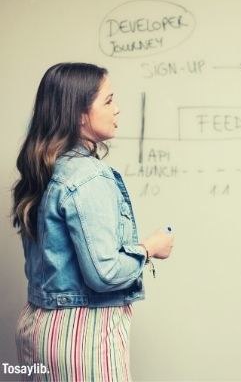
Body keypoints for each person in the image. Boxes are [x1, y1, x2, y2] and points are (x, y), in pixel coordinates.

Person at [11, 62, 174, 381]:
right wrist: (150, 248)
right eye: (109, 100)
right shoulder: (89, 176)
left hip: (36, 330)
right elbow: (105, 273)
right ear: (80, 113)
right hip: (81, 338)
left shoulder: (44, 169)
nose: (118, 109)